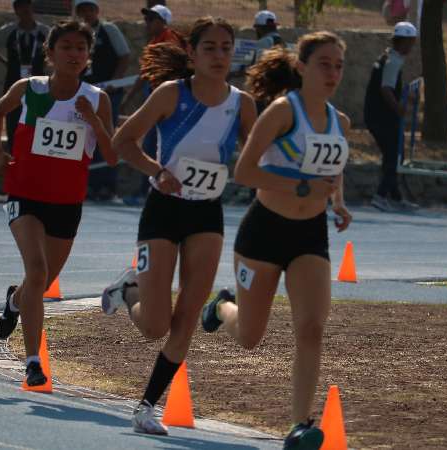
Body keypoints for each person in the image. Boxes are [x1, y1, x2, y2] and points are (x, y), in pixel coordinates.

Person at [102, 17, 257, 435]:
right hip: (164, 210)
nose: (219, 55)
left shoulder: (242, 104)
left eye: (227, 48)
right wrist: (157, 170)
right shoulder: (172, 94)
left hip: (207, 213)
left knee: (187, 316)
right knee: (155, 326)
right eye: (210, 47)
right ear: (191, 53)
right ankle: (127, 289)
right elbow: (123, 142)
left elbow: (256, 155)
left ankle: (146, 406)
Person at [198, 31, 353, 449]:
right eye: (324, 63)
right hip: (264, 232)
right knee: (250, 335)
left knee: (312, 329)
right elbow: (245, 171)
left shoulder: (341, 121)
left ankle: (300, 424)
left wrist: (337, 202)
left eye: (339, 65)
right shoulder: (284, 112)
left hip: (310, 237)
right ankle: (222, 305)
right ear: (301, 68)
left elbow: (333, 170)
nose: (333, 72)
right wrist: (300, 187)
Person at [0, 20, 116, 386]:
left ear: (88, 56)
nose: (74, 54)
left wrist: (93, 119)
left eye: (80, 48)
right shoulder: (29, 89)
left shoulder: (97, 98)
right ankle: (32, 361)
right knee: (38, 270)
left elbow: (110, 154)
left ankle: (15, 301)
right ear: (50, 53)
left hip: (66, 201)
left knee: (38, 283)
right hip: (24, 194)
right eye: (66, 47)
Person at [120, 4, 184, 205]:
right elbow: (145, 74)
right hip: (158, 102)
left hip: (166, 105)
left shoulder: (169, 41)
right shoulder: (156, 41)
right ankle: (151, 188)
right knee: (150, 145)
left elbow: (154, 74)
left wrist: (130, 98)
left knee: (152, 146)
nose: (147, 23)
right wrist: (130, 97)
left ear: (163, 21)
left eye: (151, 19)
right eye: (146, 19)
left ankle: (149, 190)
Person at [74, 0, 130, 201]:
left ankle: (107, 186)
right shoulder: (77, 32)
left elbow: (124, 56)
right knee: (84, 136)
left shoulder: (109, 30)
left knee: (106, 135)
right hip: (84, 92)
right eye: (82, 11)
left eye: (90, 10)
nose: (86, 14)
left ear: (97, 11)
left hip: (108, 93)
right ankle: (86, 185)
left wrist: (115, 81)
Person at [364, 21, 417, 212]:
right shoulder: (393, 61)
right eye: (411, 42)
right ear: (403, 42)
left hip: (375, 115)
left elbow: (390, 84)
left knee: (393, 154)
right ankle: (380, 196)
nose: (412, 46)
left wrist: (404, 93)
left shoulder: (388, 57)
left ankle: (395, 196)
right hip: (382, 116)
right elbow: (386, 89)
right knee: (393, 156)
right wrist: (398, 108)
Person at [0, 0, 49, 150]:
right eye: (20, 7)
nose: (25, 10)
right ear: (16, 10)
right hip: (13, 80)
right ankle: (13, 152)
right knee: (13, 117)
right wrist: (5, 61)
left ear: (32, 8)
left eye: (27, 6)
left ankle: (36, 153)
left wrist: (45, 62)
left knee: (38, 118)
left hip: (38, 82)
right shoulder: (10, 30)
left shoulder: (44, 31)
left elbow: (56, 46)